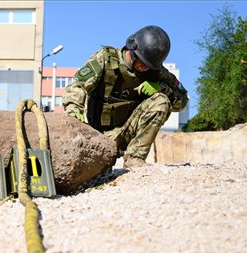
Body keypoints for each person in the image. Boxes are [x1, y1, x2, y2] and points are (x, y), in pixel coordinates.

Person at [62, 25, 188, 168]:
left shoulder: (157, 72)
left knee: (161, 101)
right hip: (96, 136)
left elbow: (182, 103)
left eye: (149, 66)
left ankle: (134, 158)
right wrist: (73, 110)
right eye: (142, 62)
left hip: (126, 133)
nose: (144, 68)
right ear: (132, 48)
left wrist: (162, 88)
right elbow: (78, 86)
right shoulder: (106, 59)